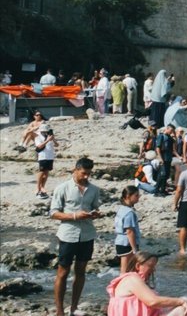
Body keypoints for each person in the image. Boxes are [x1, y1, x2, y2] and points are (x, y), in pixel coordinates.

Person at [50, 156, 104, 316]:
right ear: (75, 170)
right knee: (63, 272)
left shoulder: (94, 189)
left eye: (89, 174)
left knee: (81, 271)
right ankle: (60, 310)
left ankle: (74, 307)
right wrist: (74, 216)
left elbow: (95, 207)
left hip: (87, 235)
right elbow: (53, 213)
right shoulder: (62, 188)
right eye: (83, 173)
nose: (86, 176)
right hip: (68, 235)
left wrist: (96, 214)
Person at [107, 250, 187, 316]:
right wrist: (180, 301)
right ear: (138, 266)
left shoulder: (131, 279)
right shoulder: (132, 279)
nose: (154, 270)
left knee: (185, 301)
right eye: (150, 266)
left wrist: (182, 301)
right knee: (182, 309)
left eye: (154, 266)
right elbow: (152, 301)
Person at [114, 185, 143, 274]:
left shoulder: (121, 209)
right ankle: (124, 286)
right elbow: (129, 231)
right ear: (128, 196)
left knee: (124, 269)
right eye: (136, 195)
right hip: (127, 244)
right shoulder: (129, 213)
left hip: (120, 241)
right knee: (127, 269)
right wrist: (135, 249)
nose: (138, 198)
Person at [34, 123, 57, 198]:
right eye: (43, 131)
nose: (45, 133)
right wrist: (47, 140)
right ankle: (38, 188)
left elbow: (57, 145)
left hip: (50, 157)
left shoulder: (49, 137)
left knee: (46, 172)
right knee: (41, 172)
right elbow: (39, 146)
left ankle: (42, 187)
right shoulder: (38, 137)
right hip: (43, 157)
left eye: (46, 131)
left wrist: (53, 139)